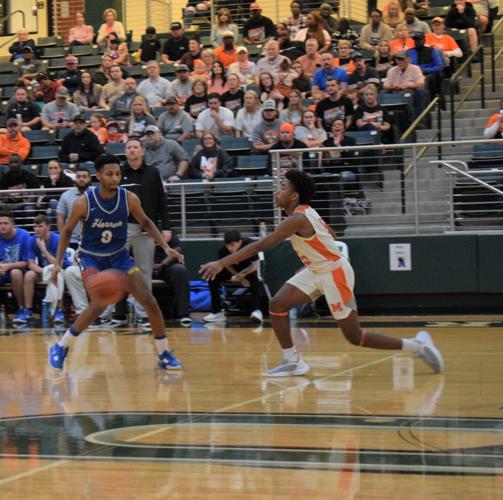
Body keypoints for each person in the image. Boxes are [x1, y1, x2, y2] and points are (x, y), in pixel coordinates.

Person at [200, 169, 444, 377]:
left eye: (283, 187)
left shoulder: (297, 218)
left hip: (334, 272)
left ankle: (418, 346)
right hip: (318, 269)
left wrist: (221, 263)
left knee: (354, 336)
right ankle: (293, 361)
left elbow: (260, 245)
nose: (278, 191)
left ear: (294, 196)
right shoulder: (305, 213)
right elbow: (332, 237)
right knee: (277, 304)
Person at [48, 154, 183, 371]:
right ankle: (61, 347)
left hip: (119, 256)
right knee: (99, 304)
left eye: (117, 174)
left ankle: (164, 352)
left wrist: (165, 247)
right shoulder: (84, 202)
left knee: (150, 302)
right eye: (109, 174)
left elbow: (147, 222)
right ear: (99, 176)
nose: (115, 178)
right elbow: (66, 233)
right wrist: (57, 263)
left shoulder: (129, 198)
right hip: (90, 256)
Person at [108, 138, 175, 327]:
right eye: (128, 147)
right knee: (116, 269)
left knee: (144, 271)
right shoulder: (117, 173)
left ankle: (144, 314)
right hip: (122, 228)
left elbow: (162, 201)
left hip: (146, 228)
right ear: (125, 151)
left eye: (135, 147)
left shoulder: (153, 173)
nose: (132, 150)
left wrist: (166, 227)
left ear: (142, 151)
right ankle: (114, 313)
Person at [203, 229, 263, 323]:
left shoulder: (249, 245)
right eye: (227, 245)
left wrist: (243, 276)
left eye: (232, 245)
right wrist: (238, 276)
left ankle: (256, 310)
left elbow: (255, 265)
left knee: (254, 278)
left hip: (249, 269)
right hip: (234, 270)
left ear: (239, 242)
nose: (230, 248)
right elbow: (226, 265)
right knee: (213, 276)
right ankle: (217, 312)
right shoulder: (223, 250)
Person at [23, 214, 69, 324]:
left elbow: (58, 264)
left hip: (61, 270)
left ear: (48, 227)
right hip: (45, 271)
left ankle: (59, 310)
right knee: (29, 275)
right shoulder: (31, 240)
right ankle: (28, 310)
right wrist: (46, 272)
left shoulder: (58, 239)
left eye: (40, 226)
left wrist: (43, 249)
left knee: (57, 275)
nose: (37, 229)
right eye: (35, 226)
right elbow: (30, 264)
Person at [153, 232, 192, 326]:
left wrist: (162, 265)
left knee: (180, 270)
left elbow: (177, 250)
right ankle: (119, 316)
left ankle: (183, 314)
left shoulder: (169, 233)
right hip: (145, 267)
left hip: (166, 267)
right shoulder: (138, 233)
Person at [0, 211, 30, 323]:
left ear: (13, 224)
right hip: (2, 271)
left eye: (5, 223)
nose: (2, 226)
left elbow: (27, 262)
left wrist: (8, 266)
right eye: (0, 223)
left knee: (15, 272)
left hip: (19, 270)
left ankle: (22, 309)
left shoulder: (24, 235)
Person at [383, 50, 425, 118]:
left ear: (408, 60)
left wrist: (406, 86)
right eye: (398, 59)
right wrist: (393, 87)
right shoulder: (391, 70)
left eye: (402, 59)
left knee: (420, 91)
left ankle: (419, 119)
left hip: (411, 91)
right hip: (396, 92)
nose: (400, 62)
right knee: (384, 92)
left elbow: (421, 84)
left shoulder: (415, 68)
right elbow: (385, 85)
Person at [36, 159, 73, 227]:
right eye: (50, 168)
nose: (53, 170)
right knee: (51, 206)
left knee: (53, 203)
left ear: (60, 169)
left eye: (55, 168)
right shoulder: (47, 181)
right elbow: (48, 197)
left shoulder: (68, 180)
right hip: (51, 209)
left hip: (66, 208)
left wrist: (53, 184)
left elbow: (63, 197)